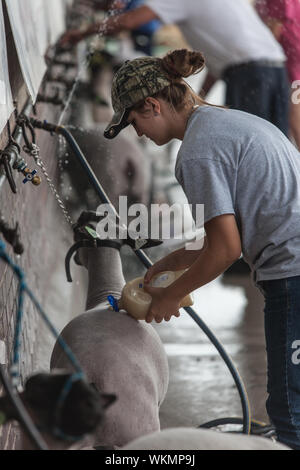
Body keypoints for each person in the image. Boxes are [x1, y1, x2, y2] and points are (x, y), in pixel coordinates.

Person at [103, 48, 300, 449]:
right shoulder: (227, 120)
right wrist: (168, 266)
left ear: (153, 105)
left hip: (292, 273)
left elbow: (226, 250)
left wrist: (169, 297)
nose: (137, 133)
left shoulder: (196, 152)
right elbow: (229, 234)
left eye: (134, 120)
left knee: (290, 410)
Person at [60, 0, 290, 135]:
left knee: (250, 145)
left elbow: (129, 21)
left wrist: (81, 33)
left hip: (250, 76)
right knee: (275, 145)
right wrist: (198, 101)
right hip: (276, 70)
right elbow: (223, 61)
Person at [256, 0, 300, 149]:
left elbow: (275, 28)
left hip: (291, 59)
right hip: (286, 59)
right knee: (288, 116)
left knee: (293, 115)